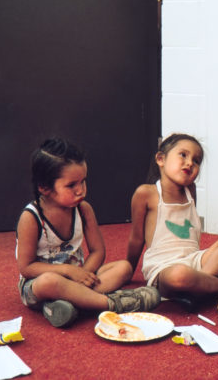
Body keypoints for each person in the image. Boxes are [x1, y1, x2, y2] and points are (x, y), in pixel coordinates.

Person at [16, 138, 160, 328]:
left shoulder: (83, 209)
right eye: (71, 185)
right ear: (44, 188)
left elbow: (98, 251)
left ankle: (70, 307)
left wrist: (83, 274)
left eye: (83, 181)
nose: (80, 190)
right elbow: (26, 267)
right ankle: (110, 304)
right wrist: (69, 271)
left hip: (81, 277)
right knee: (49, 282)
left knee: (124, 267)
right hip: (40, 284)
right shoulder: (31, 217)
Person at [127, 133, 218, 309]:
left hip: (195, 260)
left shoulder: (190, 190)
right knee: (180, 276)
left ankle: (198, 288)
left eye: (197, 160)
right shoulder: (146, 193)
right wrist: (129, 269)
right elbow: (136, 238)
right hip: (164, 268)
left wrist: (200, 266)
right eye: (183, 155)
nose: (190, 162)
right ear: (161, 159)